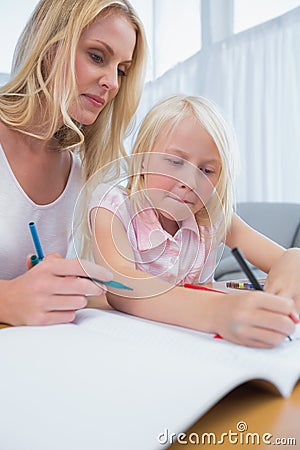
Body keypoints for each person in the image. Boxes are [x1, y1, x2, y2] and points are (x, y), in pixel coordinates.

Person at [84, 94, 300, 348]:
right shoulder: (112, 208)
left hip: (192, 344)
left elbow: (283, 259)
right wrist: (219, 310)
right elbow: (123, 287)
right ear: (142, 160)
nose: (190, 181)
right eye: (176, 162)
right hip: (124, 343)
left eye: (206, 170)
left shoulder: (212, 218)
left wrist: (293, 262)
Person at [0, 0, 147, 326]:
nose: (113, 83)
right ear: (48, 43)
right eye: (97, 57)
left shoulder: (81, 174)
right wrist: (8, 299)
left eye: (122, 70)